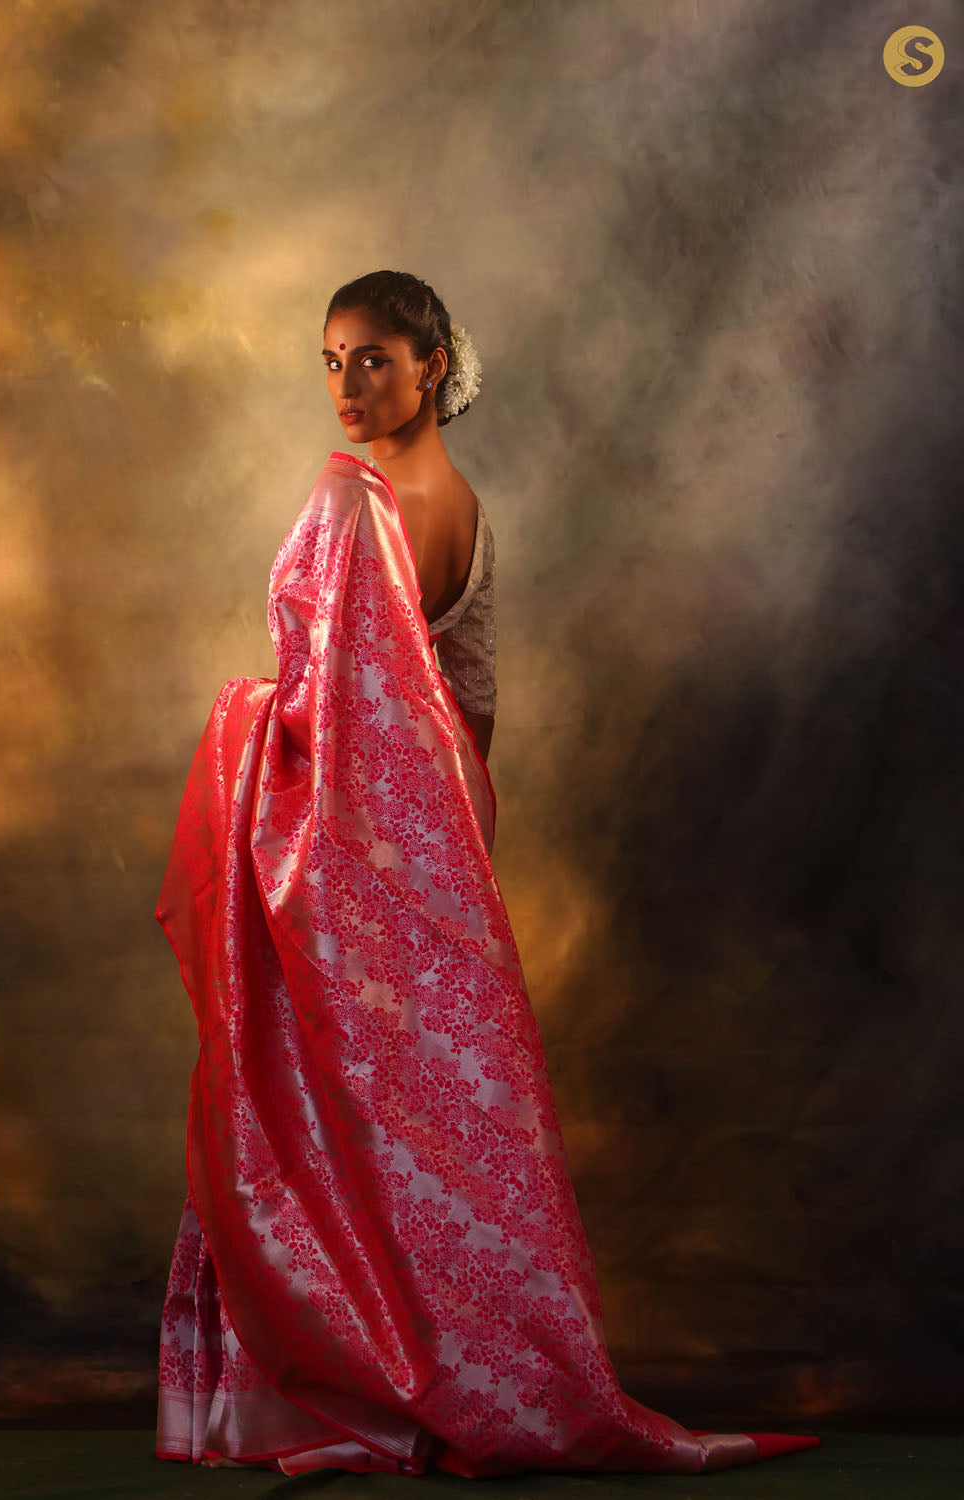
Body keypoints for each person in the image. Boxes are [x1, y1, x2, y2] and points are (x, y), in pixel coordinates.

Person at [152, 270, 820, 1477]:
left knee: (327, 1106)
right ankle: (463, 1379)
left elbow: (330, 707)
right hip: (434, 848)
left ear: (434, 367)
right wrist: (440, 846)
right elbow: (471, 706)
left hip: (346, 853)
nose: (348, 384)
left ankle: (349, 1396)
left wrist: (250, 725)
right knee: (434, 1128)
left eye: (374, 358)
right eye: (332, 360)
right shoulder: (471, 512)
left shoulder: (349, 500)